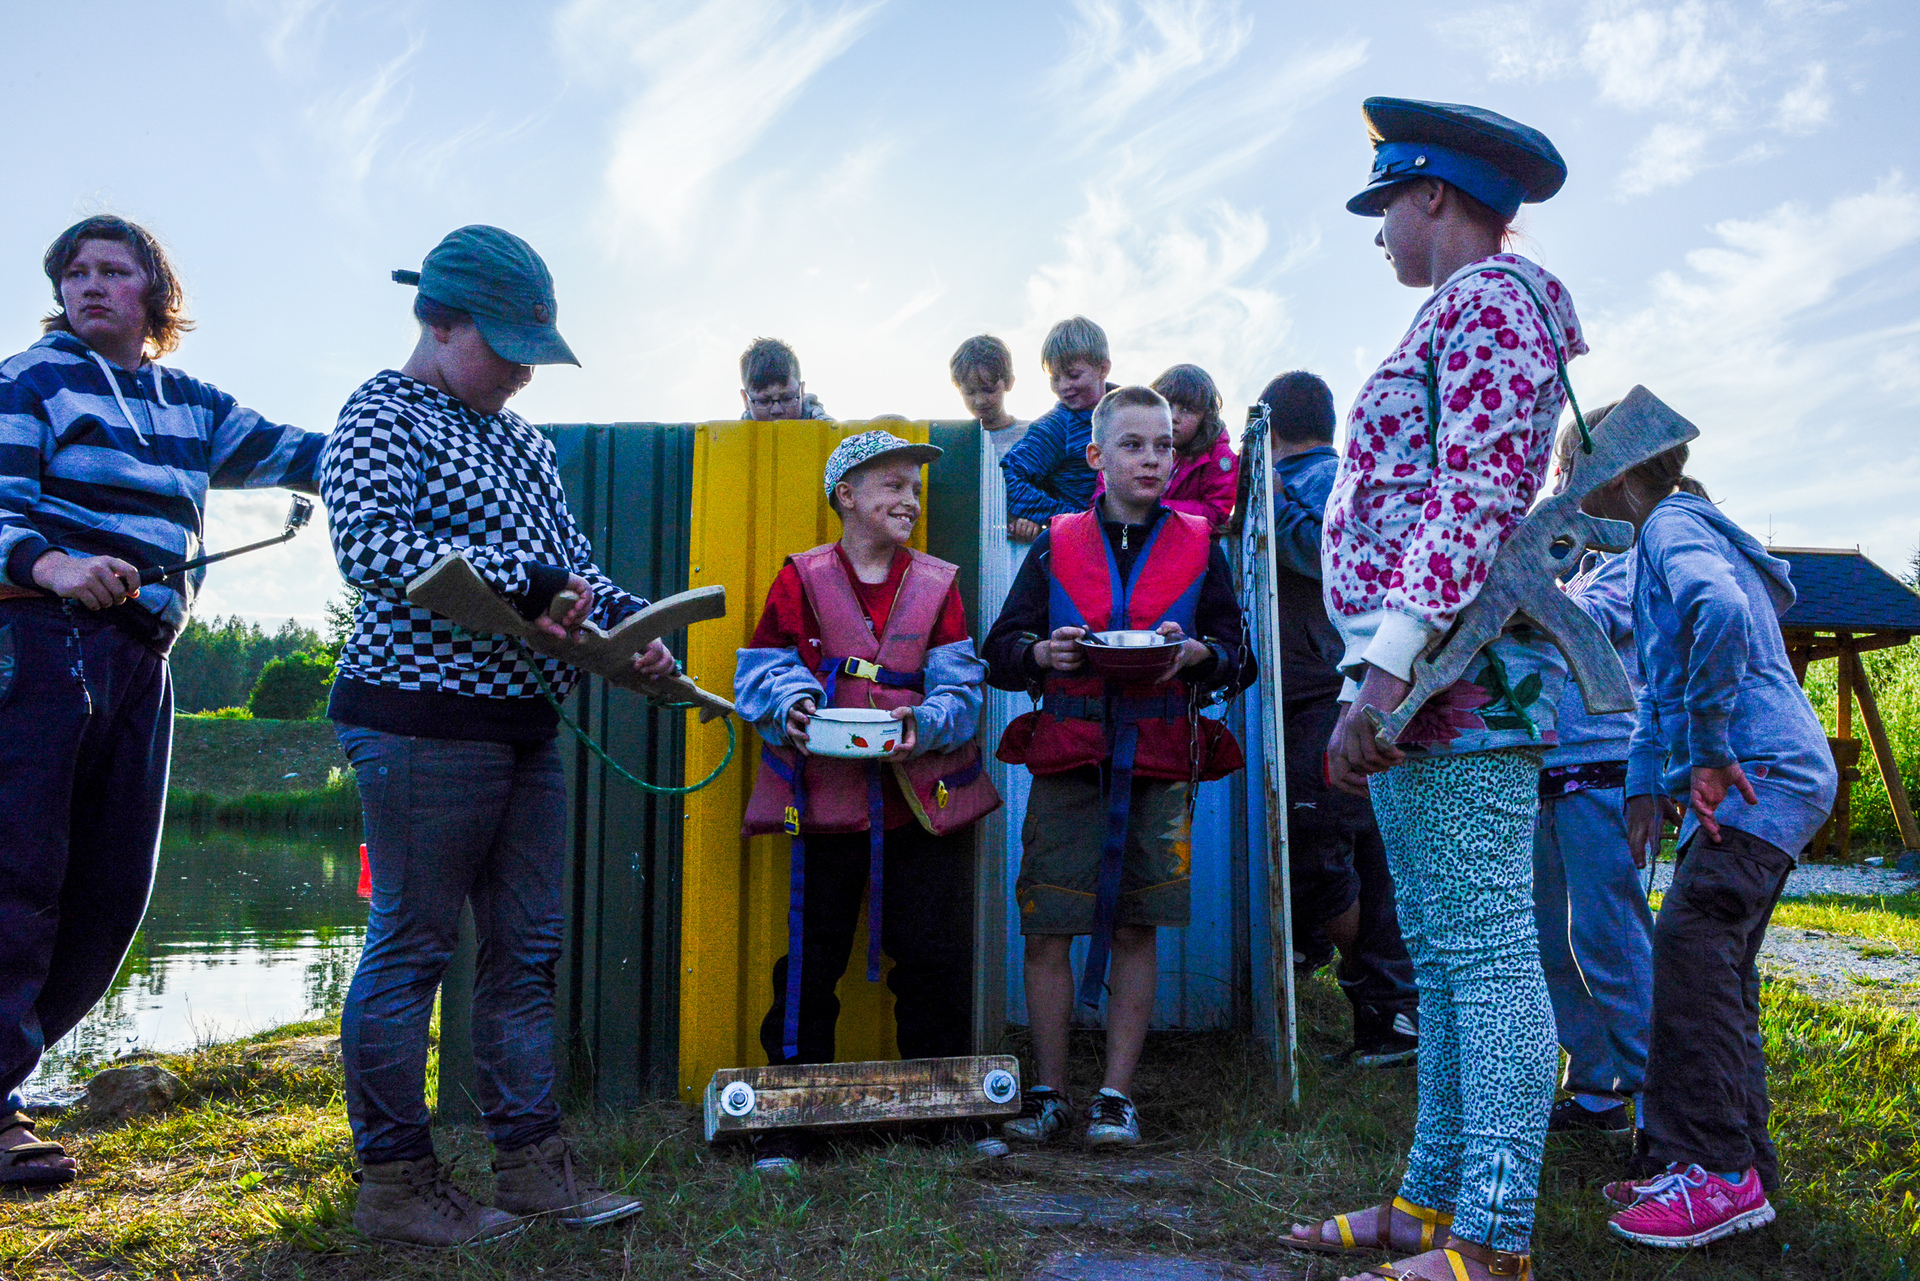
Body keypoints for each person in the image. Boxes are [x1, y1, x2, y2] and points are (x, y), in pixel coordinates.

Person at [1286, 98, 1584, 1281]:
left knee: (1487, 956)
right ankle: (1430, 1204)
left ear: (1433, 195)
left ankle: (1495, 1239)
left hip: (1454, 678)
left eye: (1385, 209)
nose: (1378, 237)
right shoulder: (1468, 307)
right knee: (1447, 954)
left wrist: (1382, 671)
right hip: (1428, 678)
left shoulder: (1493, 301)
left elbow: (1477, 497)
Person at [321, 225, 666, 1246]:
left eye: (532, 351)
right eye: (506, 347)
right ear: (439, 321)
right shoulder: (381, 412)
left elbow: (574, 568)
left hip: (523, 724)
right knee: (414, 944)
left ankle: (532, 1166)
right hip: (417, 720)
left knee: (527, 953)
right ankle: (396, 1181)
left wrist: (633, 629)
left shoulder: (525, 442)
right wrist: (533, 585)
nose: (522, 371)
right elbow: (371, 545)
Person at [0, 216, 323, 1187]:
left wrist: (400, 433)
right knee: (19, 876)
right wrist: (56, 565)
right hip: (39, 643)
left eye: (113, 270)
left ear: (156, 293)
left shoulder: (192, 404)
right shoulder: (30, 381)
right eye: (74, 273)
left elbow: (305, 452)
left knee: (112, 893)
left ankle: (5, 1072)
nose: (89, 286)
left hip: (145, 656)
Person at [984, 385, 1251, 1151]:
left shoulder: (1200, 542)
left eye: (1164, 444)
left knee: (1138, 926)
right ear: (1097, 456)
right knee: (1048, 927)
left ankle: (1115, 1098)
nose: (1152, 458)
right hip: (1070, 759)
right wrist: (1045, 651)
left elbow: (1239, 657)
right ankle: (1048, 1092)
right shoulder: (1056, 541)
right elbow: (1001, 651)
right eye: (1133, 444)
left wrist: (1197, 654)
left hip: (1157, 765)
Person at [735, 430, 1001, 1175]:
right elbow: (763, 669)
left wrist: (924, 722)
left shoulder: (938, 584)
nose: (910, 500)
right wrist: (791, 704)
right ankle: (789, 1120)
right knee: (810, 960)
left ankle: (947, 1112)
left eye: (915, 488)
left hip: (918, 804)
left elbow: (962, 689)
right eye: (892, 485)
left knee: (932, 957)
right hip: (825, 804)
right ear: (846, 496)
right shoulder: (801, 578)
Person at [1594, 437, 1835, 1249]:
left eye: (1570, 467)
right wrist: (1643, 782)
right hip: (1760, 775)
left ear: (1615, 473)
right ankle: (1737, 1167)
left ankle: (1718, 1171)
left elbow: (1722, 614)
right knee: (1717, 966)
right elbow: (1660, 684)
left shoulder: (1671, 524)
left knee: (1693, 947)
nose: (1563, 485)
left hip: (1757, 773)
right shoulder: (1659, 539)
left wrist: (1705, 748)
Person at [1259, 370, 1418, 1068]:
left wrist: (1272, 505)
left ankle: (1385, 1006)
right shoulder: (1332, 477)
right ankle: (1385, 1009)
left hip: (1330, 691)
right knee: (1356, 852)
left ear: (1272, 425)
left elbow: (1331, 564)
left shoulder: (1318, 481)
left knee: (1322, 848)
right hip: (1340, 690)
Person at [1531, 416, 1653, 1136]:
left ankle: (1658, 1101)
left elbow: (1586, 622)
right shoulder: (1574, 566)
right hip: (1550, 768)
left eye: (1571, 468)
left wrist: (1527, 582)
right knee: (1556, 942)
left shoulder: (1634, 560)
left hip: (1606, 770)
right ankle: (1597, 1088)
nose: (1561, 484)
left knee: (1612, 942)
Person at [999, 316, 1111, 544]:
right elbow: (1006, 479)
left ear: (1103, 369)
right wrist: (1071, 519)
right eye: (1054, 378)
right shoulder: (1058, 425)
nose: (1063, 386)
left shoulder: (1131, 410)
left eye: (1073, 375)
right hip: (1085, 544)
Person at [1092, 364, 1237, 535]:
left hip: (1183, 538)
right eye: (1167, 405)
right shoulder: (1130, 442)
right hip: (1125, 533)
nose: (1173, 417)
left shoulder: (1218, 457)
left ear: (1205, 417)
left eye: (1187, 410)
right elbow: (1103, 493)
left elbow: (1217, 511)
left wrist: (1155, 509)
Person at [951, 334, 1027, 464]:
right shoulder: (954, 440)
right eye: (970, 392)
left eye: (989, 390)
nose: (980, 401)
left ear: (1009, 383)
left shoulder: (1033, 435)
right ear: (958, 388)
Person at [740, 337, 830, 421]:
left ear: (802, 392)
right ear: (745, 399)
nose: (776, 410)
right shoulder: (736, 432)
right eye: (763, 401)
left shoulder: (825, 429)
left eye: (787, 398)